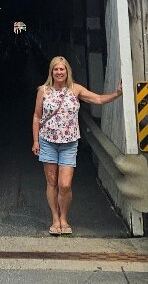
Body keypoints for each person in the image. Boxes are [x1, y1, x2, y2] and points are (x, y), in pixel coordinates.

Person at [31, 56, 123, 236]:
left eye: (62, 69)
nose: (59, 72)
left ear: (67, 72)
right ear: (51, 72)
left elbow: (97, 99)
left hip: (69, 143)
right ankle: (56, 219)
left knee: (64, 184)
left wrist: (117, 93)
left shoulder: (75, 89)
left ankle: (64, 217)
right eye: (56, 69)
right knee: (51, 182)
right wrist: (35, 140)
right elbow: (36, 116)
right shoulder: (43, 91)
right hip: (47, 142)